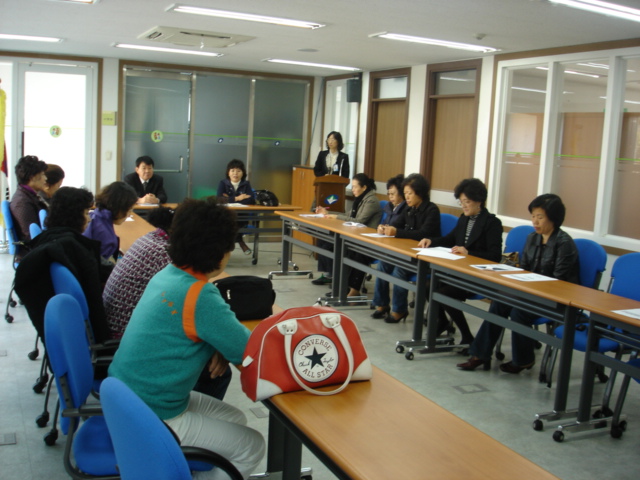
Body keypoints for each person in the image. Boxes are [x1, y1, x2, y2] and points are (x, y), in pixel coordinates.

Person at [108, 198, 265, 478]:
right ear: (221, 253)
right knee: (252, 446)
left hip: (128, 401)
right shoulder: (199, 295)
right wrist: (222, 343)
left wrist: (217, 344)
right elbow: (250, 352)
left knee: (236, 418)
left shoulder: (167, 274)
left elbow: (204, 329)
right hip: (156, 412)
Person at [103, 206, 232, 400]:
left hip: (123, 350)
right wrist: (218, 344)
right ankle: (183, 412)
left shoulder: (151, 239)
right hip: (134, 348)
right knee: (217, 369)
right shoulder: (168, 259)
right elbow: (241, 346)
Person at [457, 193, 580, 373]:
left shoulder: (564, 243)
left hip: (555, 298)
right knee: (499, 302)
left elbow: (559, 281)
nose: (535, 221)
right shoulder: (532, 238)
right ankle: (480, 354)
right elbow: (524, 269)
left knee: (519, 312)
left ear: (553, 218)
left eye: (540, 217)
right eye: (533, 216)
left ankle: (523, 360)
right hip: (531, 292)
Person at [14, 187, 113, 344]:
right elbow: (96, 304)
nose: (89, 219)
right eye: (86, 213)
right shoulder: (74, 248)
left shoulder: (53, 239)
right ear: (74, 215)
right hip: (95, 338)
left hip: (70, 332)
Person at [418, 178, 503, 347]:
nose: (463, 206)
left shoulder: (492, 223)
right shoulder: (464, 219)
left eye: (467, 202)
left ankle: (467, 335)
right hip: (460, 273)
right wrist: (431, 241)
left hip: (479, 275)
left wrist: (469, 253)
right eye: (461, 202)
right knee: (428, 285)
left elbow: (494, 256)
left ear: (479, 201)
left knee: (443, 293)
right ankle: (442, 322)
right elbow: (449, 239)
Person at [371, 173, 441, 323]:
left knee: (399, 270)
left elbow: (423, 234)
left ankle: (399, 309)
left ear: (420, 193)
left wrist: (396, 232)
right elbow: (396, 225)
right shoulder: (409, 209)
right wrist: (384, 228)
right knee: (383, 264)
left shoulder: (432, 210)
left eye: (410, 193)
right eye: (405, 193)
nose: (406, 197)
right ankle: (382, 304)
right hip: (407, 253)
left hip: (425, 257)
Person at [315, 173, 382, 296]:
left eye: (355, 187)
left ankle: (342, 285)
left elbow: (359, 221)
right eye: (352, 186)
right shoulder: (359, 200)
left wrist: (334, 216)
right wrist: (328, 213)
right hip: (354, 235)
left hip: (365, 239)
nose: (353, 189)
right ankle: (333, 277)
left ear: (364, 187)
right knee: (324, 241)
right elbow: (347, 215)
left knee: (340, 249)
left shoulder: (371, 201)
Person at [83, 181, 138, 263]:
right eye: (129, 210)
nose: (129, 214)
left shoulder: (94, 215)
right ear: (120, 207)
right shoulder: (106, 236)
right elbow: (102, 266)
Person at [9, 155, 48, 259]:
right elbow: (30, 236)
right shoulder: (22, 202)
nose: (46, 178)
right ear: (32, 177)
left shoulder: (29, 195)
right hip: (31, 256)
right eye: (43, 175)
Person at [217, 159, 256, 255]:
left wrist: (228, 198)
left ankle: (229, 246)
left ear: (243, 173)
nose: (235, 173)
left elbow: (251, 200)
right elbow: (219, 199)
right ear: (228, 172)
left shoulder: (246, 184)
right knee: (228, 223)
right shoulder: (223, 183)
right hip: (225, 216)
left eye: (238, 171)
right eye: (233, 170)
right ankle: (240, 241)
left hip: (241, 217)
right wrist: (238, 198)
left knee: (232, 224)